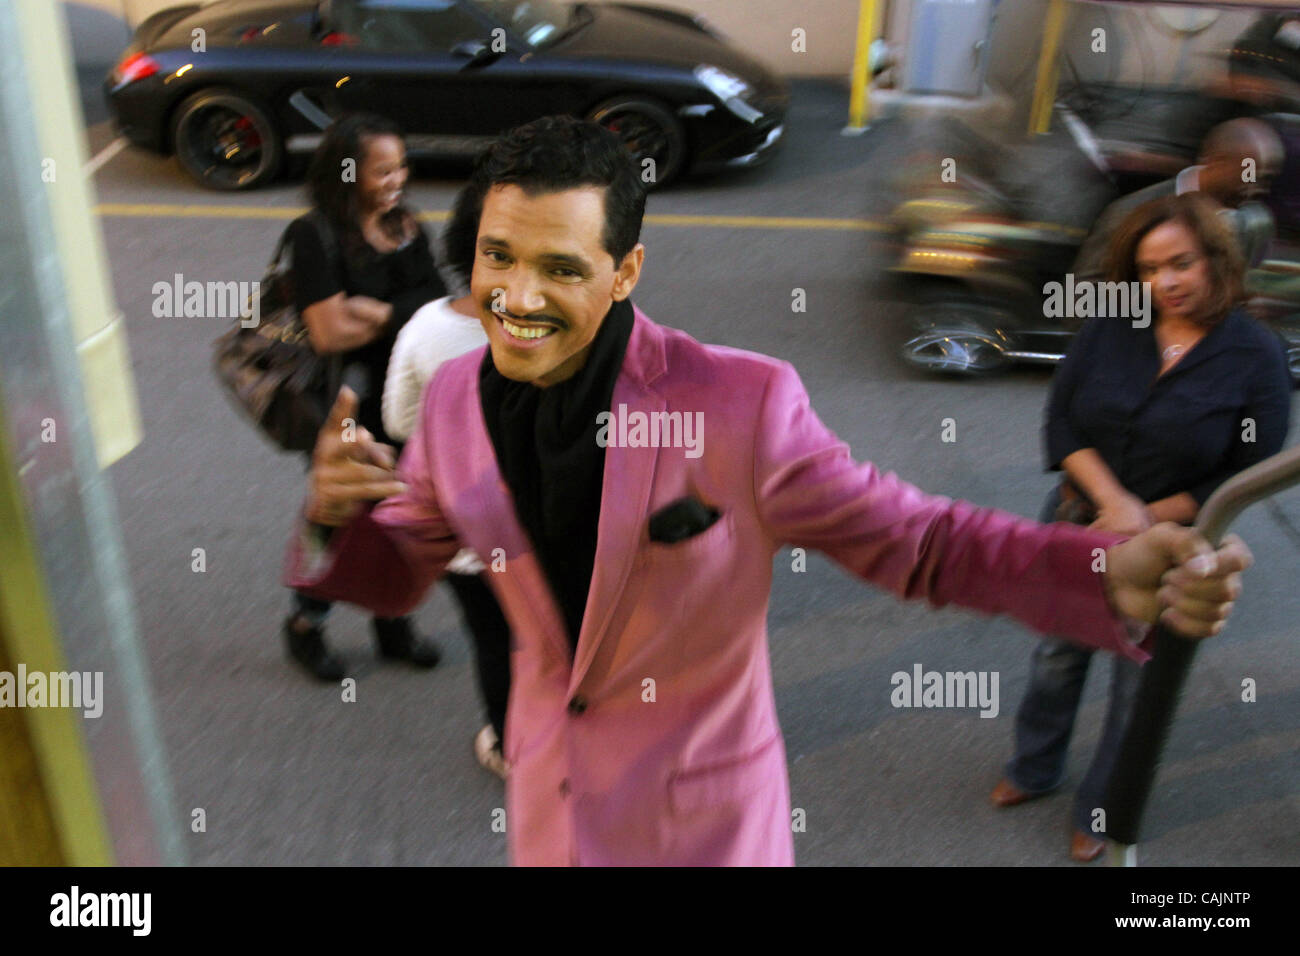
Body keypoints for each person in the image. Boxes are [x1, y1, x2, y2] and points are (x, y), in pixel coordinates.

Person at [286, 116, 1252, 866]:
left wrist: (1104, 573)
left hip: (702, 830)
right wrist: (336, 515)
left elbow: (922, 543)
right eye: (499, 257)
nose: (517, 297)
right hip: (553, 814)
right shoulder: (454, 398)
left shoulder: (740, 404)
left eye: (559, 268)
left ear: (624, 273)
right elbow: (403, 564)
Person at [992, 192, 1292, 861]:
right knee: (1056, 658)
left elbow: (1253, 466)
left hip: (1175, 550)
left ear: (1215, 259)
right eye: (1151, 270)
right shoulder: (1111, 327)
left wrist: (1148, 518)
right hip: (1080, 522)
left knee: (1137, 689)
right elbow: (1061, 422)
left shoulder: (1256, 354)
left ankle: (1101, 810)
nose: (1167, 283)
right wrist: (1112, 503)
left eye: (1181, 263)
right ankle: (1032, 770)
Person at [282, 113, 446, 681]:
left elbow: (440, 308)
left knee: (402, 519)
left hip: (407, 405)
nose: (396, 179)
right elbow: (330, 332)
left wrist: (381, 312)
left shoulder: (407, 226)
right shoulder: (315, 234)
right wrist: (405, 316)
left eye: (401, 166)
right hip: (344, 410)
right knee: (336, 518)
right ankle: (306, 623)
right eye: (382, 171)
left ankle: (391, 619)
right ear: (347, 174)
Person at [381, 184, 512, 778]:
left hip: (465, 533)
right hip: (559, 529)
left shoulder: (425, 329)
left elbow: (398, 422)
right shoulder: (582, 326)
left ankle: (512, 749)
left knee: (493, 638)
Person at [1072, 118, 1285, 283]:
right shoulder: (1131, 213)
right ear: (1214, 162)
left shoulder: (1254, 222)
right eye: (1248, 174)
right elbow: (1081, 299)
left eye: (1266, 178)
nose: (1257, 187)